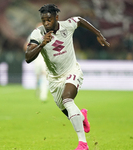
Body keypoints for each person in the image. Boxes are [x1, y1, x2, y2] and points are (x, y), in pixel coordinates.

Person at [25, 4, 110, 150]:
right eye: (43, 20)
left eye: (49, 20)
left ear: (56, 18)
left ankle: (83, 144)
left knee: (67, 99)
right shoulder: (38, 34)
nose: (46, 23)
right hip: (54, 79)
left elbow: (80, 20)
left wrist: (98, 34)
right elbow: (27, 57)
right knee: (65, 108)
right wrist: (41, 45)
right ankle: (82, 117)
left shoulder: (67, 25)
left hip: (72, 71)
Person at [24, 23, 49, 101]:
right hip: (36, 59)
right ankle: (38, 88)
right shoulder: (33, 36)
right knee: (38, 76)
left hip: (45, 59)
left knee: (44, 75)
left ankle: (43, 95)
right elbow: (25, 46)